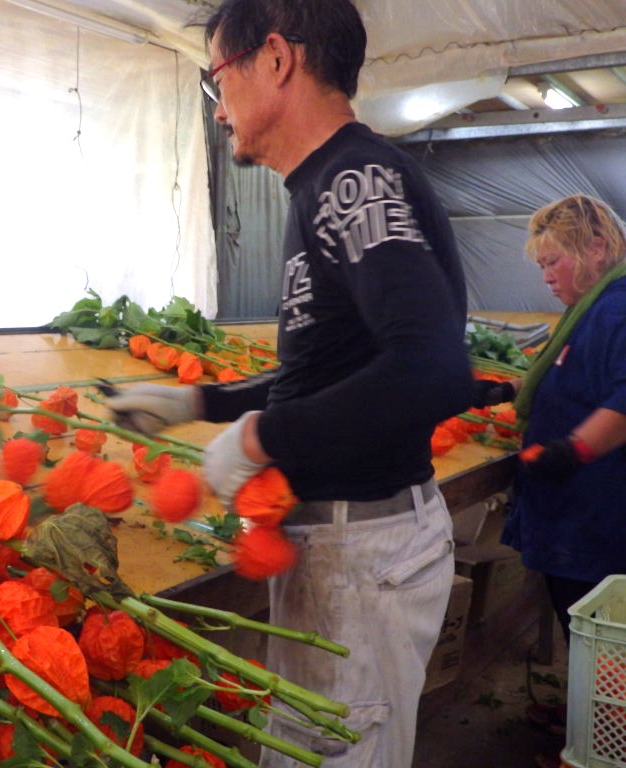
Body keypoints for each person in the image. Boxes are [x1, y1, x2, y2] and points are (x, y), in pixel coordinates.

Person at [106, 1, 473, 766]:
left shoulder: (354, 180)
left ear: (275, 60)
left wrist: (263, 435)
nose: (218, 112)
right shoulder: (324, 186)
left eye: (216, 80)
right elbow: (334, 363)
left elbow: (430, 367)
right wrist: (202, 403)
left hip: (363, 551)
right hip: (341, 547)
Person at [477, 194, 626, 644]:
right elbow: (573, 375)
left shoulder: (617, 310)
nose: (545, 277)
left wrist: (573, 449)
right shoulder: (589, 311)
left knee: (602, 638)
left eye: (553, 262)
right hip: (577, 517)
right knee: (584, 633)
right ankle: (587, 708)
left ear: (597, 248)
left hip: (599, 519)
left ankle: (602, 712)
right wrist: (506, 390)